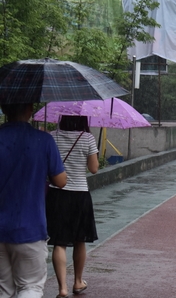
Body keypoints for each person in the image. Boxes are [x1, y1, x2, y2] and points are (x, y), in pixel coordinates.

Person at [0, 103, 67, 298]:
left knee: (3, 289)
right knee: (30, 287)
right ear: (30, 109)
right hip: (30, 228)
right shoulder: (44, 140)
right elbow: (61, 181)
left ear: (4, 109)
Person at [47, 116, 99, 298]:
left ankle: (62, 288)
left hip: (56, 193)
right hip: (80, 194)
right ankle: (78, 281)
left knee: (59, 242)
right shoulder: (87, 138)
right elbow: (94, 168)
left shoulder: (52, 136)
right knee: (79, 240)